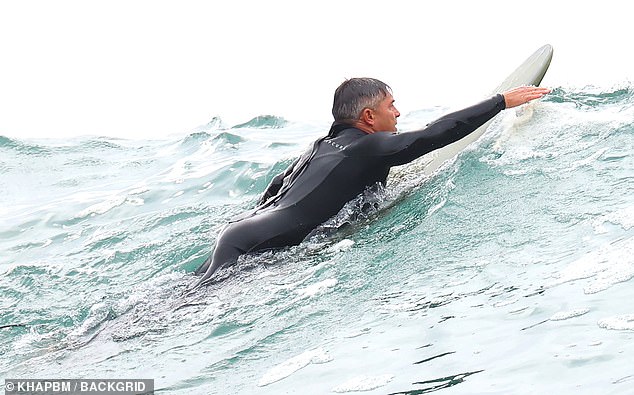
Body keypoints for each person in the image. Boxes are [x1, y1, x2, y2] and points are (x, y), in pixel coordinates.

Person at [194, 78, 550, 286]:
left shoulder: (322, 145)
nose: (397, 113)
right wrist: (500, 102)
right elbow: (433, 135)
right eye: (391, 106)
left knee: (178, 299)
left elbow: (277, 183)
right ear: (369, 116)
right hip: (261, 245)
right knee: (185, 314)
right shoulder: (369, 146)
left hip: (242, 232)